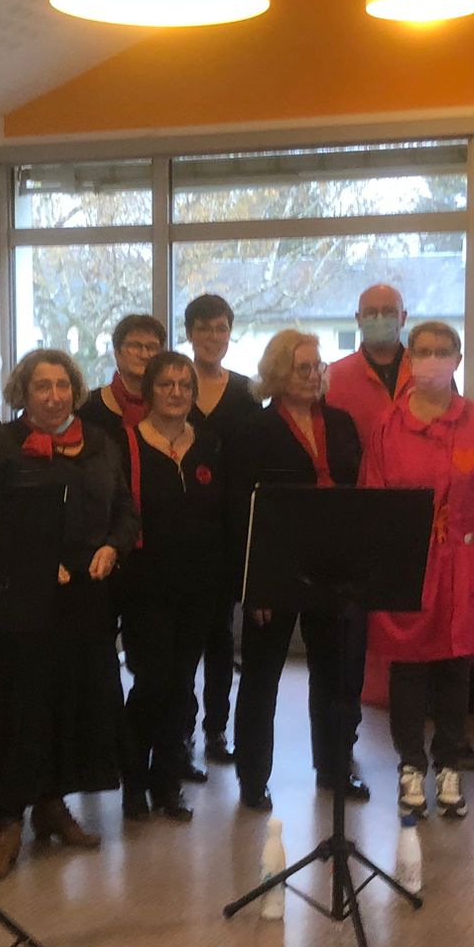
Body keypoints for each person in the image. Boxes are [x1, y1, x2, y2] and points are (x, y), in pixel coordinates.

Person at [0, 349, 136, 879]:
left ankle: (51, 805)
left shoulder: (100, 443)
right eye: (42, 386)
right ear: (23, 392)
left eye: (62, 385)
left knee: (71, 703)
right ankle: (8, 822)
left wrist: (113, 546)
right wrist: (37, 562)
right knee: (23, 707)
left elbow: (125, 509)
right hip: (23, 599)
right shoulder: (1, 445)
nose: (54, 396)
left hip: (86, 598)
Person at [361, 322, 474, 821]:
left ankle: (449, 762)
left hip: (464, 561)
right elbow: (374, 493)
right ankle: (410, 764)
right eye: (423, 351)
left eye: (442, 351)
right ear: (410, 358)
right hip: (409, 560)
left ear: (457, 358)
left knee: (455, 665)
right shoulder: (388, 425)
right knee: (407, 665)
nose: (432, 359)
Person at [230, 329, 369, 811]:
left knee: (335, 675)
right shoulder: (254, 430)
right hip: (276, 569)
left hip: (334, 567)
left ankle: (334, 768)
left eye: (318, 367)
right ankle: (253, 778)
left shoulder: (342, 423)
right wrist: (255, 585)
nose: (313, 376)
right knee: (262, 677)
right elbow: (241, 511)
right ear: (277, 374)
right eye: (301, 368)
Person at [114, 351, 227, 823]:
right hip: (146, 588)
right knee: (152, 683)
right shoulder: (125, 446)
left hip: (199, 586)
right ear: (149, 391)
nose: (176, 392)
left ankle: (166, 783)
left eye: (184, 385)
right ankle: (133, 780)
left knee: (182, 686)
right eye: (166, 384)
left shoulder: (210, 445)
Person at [184, 292, 259, 768]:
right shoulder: (173, 384)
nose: (213, 336)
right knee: (184, 640)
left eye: (221, 328)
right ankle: (181, 731)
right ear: (189, 333)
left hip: (231, 529)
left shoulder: (248, 392)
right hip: (182, 526)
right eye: (204, 327)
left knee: (220, 636)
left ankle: (216, 729)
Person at [326, 283, 412, 452]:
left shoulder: (426, 370)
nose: (379, 318)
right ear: (358, 319)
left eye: (388, 312)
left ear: (403, 318)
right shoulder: (333, 377)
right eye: (371, 312)